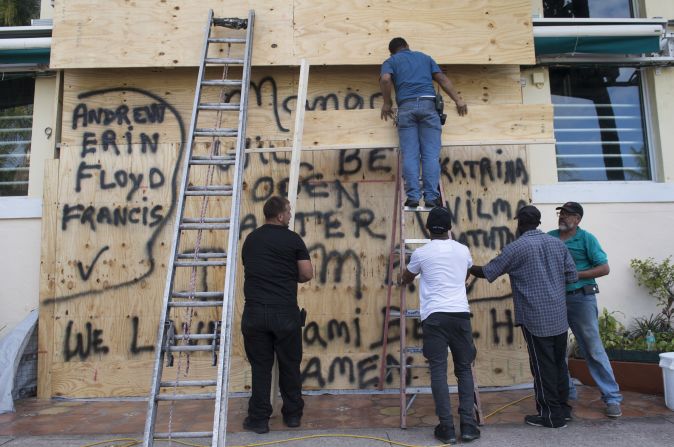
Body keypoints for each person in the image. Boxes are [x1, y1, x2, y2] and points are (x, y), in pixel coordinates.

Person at [469, 205, 578, 429]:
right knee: (559, 365)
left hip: (535, 318)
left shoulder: (516, 248)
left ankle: (550, 416)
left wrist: (467, 265)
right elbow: (572, 276)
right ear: (538, 222)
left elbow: (488, 271)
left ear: (519, 223)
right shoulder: (557, 244)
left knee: (542, 368)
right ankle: (563, 411)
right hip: (558, 315)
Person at [401, 207, 480, 444]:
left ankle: (446, 428)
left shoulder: (421, 254)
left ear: (427, 229)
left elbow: (407, 277)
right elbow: (465, 274)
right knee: (464, 369)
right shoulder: (463, 250)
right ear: (449, 228)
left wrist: (400, 277)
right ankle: (467, 425)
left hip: (434, 317)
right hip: (460, 315)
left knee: (438, 370)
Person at [240, 196, 313, 434]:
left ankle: (259, 419)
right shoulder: (293, 240)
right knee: (290, 365)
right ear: (280, 215)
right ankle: (292, 415)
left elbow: (251, 267)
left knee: (260, 366)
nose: (290, 215)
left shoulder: (251, 239)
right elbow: (306, 274)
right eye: (289, 211)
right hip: (284, 312)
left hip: (255, 312)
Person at [549, 201, 622, 418]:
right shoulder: (549, 237)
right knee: (557, 349)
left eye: (568, 214)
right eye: (561, 213)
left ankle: (612, 398)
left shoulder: (587, 238)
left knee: (592, 347)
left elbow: (604, 268)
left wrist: (576, 275)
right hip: (554, 301)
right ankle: (567, 394)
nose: (562, 217)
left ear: (578, 219)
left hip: (581, 298)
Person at [379, 37, 468, 209]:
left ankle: (412, 197)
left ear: (392, 51)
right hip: (428, 106)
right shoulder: (425, 58)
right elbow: (442, 79)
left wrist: (387, 103)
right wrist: (458, 100)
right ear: (407, 46)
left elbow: (385, 79)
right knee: (430, 155)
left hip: (406, 107)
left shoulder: (391, 61)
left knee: (410, 154)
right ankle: (431, 197)